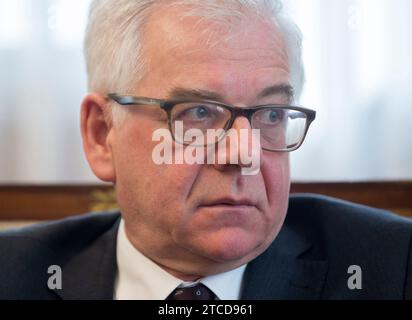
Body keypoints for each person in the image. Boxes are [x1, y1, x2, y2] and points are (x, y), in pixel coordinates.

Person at [1, 0, 412, 300]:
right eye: (198, 112)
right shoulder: (13, 276)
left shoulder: (393, 269)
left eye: (270, 115)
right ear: (100, 134)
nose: (243, 153)